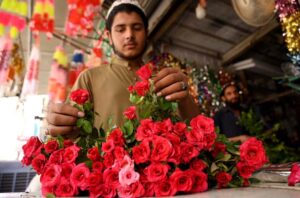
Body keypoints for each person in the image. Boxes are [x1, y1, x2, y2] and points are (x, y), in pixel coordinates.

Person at [45, 0, 200, 137]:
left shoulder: (163, 79)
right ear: (109, 36)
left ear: (146, 33)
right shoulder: (90, 78)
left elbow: (194, 129)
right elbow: (68, 128)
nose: (129, 35)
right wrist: (57, 123)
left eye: (137, 28)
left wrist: (185, 99)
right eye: (120, 29)